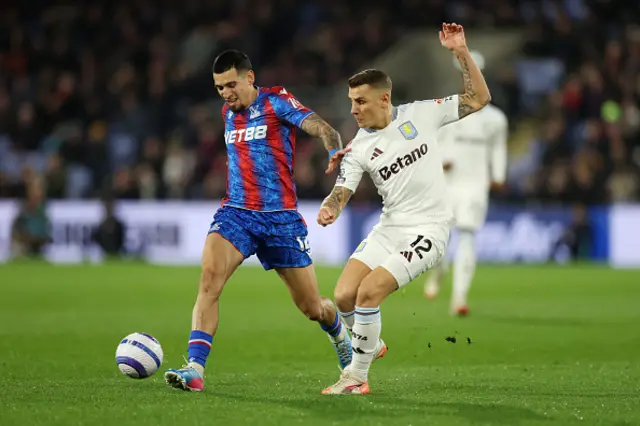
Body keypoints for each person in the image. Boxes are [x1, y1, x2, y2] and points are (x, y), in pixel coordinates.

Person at [317, 23, 491, 395]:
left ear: (384, 99)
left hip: (429, 229)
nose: (354, 109)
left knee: (369, 293)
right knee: (345, 294)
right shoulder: (359, 146)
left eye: (360, 101)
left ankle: (357, 376)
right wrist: (331, 208)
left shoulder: (422, 114)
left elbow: (477, 99)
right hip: (391, 227)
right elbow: (342, 189)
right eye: (351, 102)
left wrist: (460, 51)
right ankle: (371, 343)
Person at [164, 50, 352, 392]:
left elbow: (323, 128)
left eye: (231, 84)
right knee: (209, 280)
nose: (225, 93)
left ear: (250, 78)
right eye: (219, 87)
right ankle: (195, 369)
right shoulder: (228, 113)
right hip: (237, 213)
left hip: (281, 220)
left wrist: (331, 149)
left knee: (313, 308)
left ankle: (339, 333)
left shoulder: (276, 101)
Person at [423, 50, 508, 316]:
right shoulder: (446, 111)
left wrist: (498, 176)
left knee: (468, 235)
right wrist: (438, 163)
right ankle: (439, 273)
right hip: (447, 183)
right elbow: (431, 145)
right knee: (440, 239)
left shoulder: (495, 119)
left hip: (475, 184)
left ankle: (459, 297)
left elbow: (498, 149)